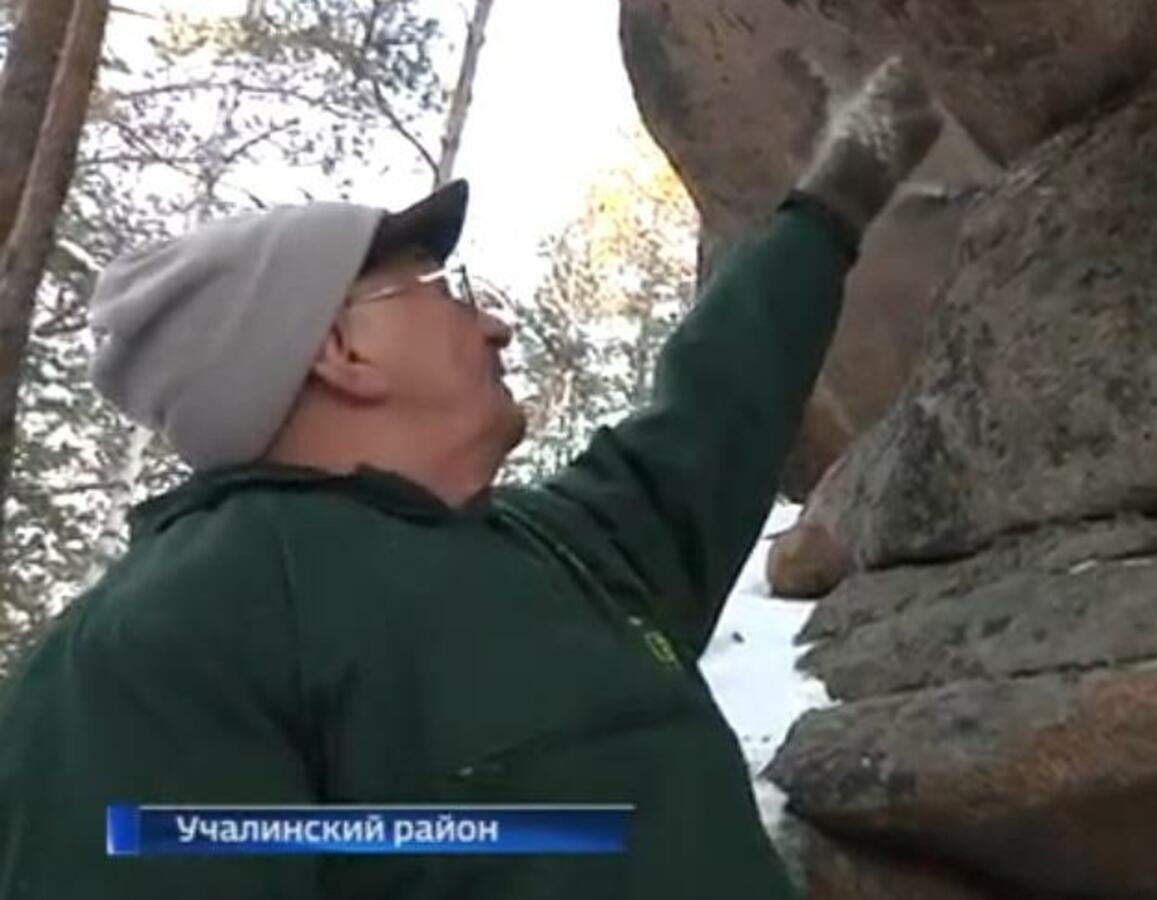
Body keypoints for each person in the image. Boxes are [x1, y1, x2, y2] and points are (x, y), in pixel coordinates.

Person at [0, 58, 942, 899]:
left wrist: (838, 197)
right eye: (443, 292)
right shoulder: (156, 644)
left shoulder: (563, 551)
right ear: (338, 348)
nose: (493, 326)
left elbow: (715, 408)